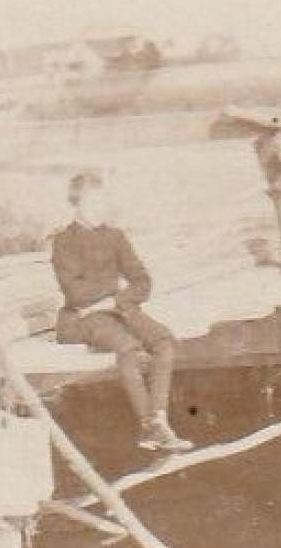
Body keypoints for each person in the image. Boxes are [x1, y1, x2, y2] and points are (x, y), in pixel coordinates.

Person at [50, 171, 192, 452]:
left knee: (163, 341)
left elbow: (143, 282)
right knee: (127, 346)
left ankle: (160, 419)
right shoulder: (63, 241)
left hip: (117, 309)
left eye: (103, 203)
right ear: (76, 204)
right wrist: (111, 294)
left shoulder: (115, 236)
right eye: (93, 204)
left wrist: (115, 299)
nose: (100, 210)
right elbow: (74, 294)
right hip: (83, 319)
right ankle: (147, 426)